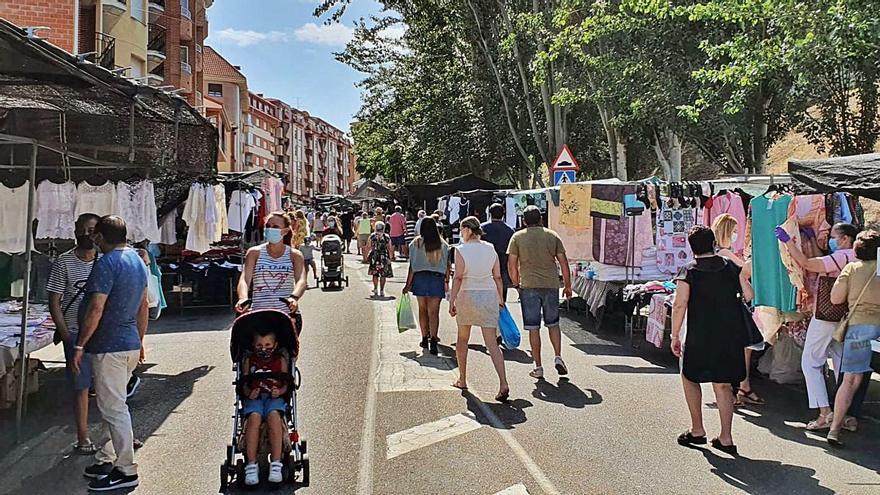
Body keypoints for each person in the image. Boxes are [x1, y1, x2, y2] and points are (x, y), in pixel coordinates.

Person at [72, 215, 148, 491]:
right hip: (127, 343)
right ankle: (107, 456)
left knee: (113, 408)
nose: (93, 240)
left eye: (95, 236)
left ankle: (126, 469)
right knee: (112, 403)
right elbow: (143, 307)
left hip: (110, 346)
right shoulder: (138, 260)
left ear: (101, 238)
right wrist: (140, 340)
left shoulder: (107, 263)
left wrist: (80, 344)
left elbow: (96, 308)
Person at [671, 226, 754, 456]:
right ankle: (726, 437)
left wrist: (674, 335)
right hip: (729, 333)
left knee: (690, 377)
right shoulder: (729, 267)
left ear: (691, 247)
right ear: (713, 242)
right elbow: (749, 295)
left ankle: (697, 429)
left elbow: (680, 304)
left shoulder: (689, 271)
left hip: (700, 333)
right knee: (723, 384)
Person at [777, 222, 858, 430]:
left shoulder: (843, 256)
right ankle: (844, 414)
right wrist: (812, 241)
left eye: (833, 236)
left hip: (827, 316)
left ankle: (825, 413)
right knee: (841, 364)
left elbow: (807, 263)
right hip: (848, 317)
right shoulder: (861, 256)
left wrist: (788, 242)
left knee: (811, 362)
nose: (830, 239)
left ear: (845, 238)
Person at [47, 213, 101, 455]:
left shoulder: (105, 260)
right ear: (75, 231)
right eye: (83, 230)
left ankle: (118, 434)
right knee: (81, 388)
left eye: (92, 230)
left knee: (109, 386)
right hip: (76, 334)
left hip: (102, 333)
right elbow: (55, 301)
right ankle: (82, 437)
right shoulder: (64, 262)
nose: (87, 235)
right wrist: (65, 334)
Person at [826, 229, 880, 446]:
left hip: (859, 328)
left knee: (849, 380)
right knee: (860, 379)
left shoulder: (852, 268)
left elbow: (836, 298)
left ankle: (834, 428)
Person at [507, 205, 572, 379]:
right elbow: (563, 263)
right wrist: (567, 285)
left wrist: (515, 282)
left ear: (523, 221)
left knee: (533, 328)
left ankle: (538, 367)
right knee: (553, 323)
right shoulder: (552, 236)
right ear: (541, 219)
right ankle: (558, 356)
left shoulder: (517, 238)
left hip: (528, 286)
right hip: (551, 285)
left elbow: (512, 264)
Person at [448, 217, 509, 402]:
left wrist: (452, 300)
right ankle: (503, 382)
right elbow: (497, 276)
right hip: (488, 295)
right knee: (492, 342)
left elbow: (458, 277)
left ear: (467, 230)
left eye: (461, 229)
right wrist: (500, 298)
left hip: (467, 295)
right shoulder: (490, 248)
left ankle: (462, 378)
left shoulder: (460, 250)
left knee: (463, 338)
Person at [711, 213, 760, 406]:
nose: (736, 235)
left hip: (730, 304)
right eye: (734, 231)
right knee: (740, 347)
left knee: (742, 348)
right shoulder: (724, 253)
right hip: (732, 304)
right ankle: (738, 388)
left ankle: (741, 386)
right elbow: (745, 269)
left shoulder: (722, 252)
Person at [241, 328, 289, 485]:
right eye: (259, 345)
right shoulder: (250, 360)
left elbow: (287, 384)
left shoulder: (280, 359)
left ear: (275, 345)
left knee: (274, 415)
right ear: (254, 345)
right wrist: (249, 392)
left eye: (267, 344)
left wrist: (280, 390)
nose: (263, 348)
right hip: (256, 397)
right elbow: (244, 384)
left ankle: (276, 463)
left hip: (274, 398)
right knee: (254, 418)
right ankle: (251, 464)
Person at [236, 212, 308, 316]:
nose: (270, 229)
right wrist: (243, 298)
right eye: (268, 226)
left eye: (275, 227)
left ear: (286, 231)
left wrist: (294, 297)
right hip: (258, 312)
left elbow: (301, 280)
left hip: (286, 314)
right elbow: (244, 279)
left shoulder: (295, 255)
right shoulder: (254, 253)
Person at [403, 217, 450, 355]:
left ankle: (424, 337)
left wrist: (407, 284)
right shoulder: (443, 244)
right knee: (434, 312)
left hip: (420, 278)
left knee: (422, 309)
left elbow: (412, 266)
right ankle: (434, 339)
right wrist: (447, 280)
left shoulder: (415, 243)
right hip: (436, 279)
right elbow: (447, 265)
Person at [481, 203, 515, 303]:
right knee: (502, 298)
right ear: (503, 214)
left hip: (486, 266)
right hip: (503, 266)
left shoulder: (482, 229)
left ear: (490, 213)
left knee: (486, 298)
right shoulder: (510, 231)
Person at [368, 222, 394, 297]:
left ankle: (375, 288)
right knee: (383, 274)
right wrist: (390, 257)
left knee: (375, 274)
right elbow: (389, 247)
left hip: (374, 256)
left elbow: (369, 246)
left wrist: (368, 255)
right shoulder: (386, 236)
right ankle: (382, 290)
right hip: (384, 257)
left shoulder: (372, 236)